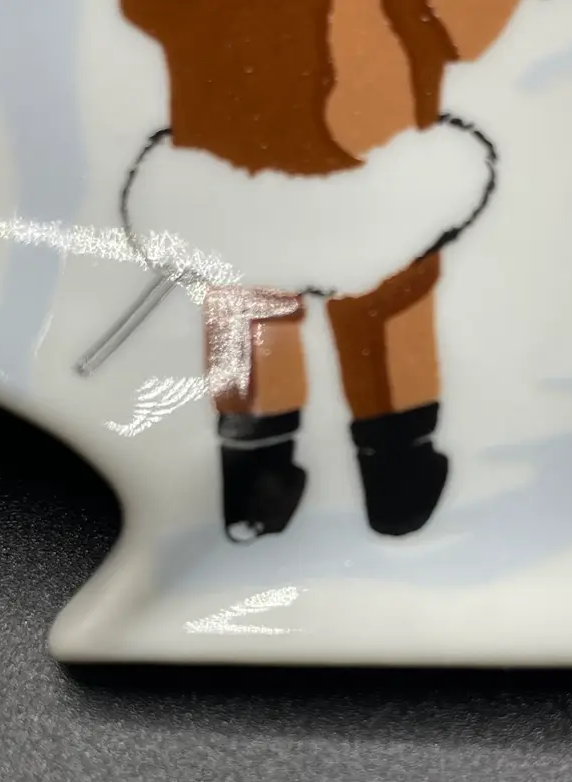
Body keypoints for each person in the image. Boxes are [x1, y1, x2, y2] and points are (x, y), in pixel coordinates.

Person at [118, 0, 524, 541]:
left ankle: (256, 477)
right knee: (385, 307)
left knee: (248, 314)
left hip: (234, 158)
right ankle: (396, 474)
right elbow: (470, 29)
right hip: (370, 154)